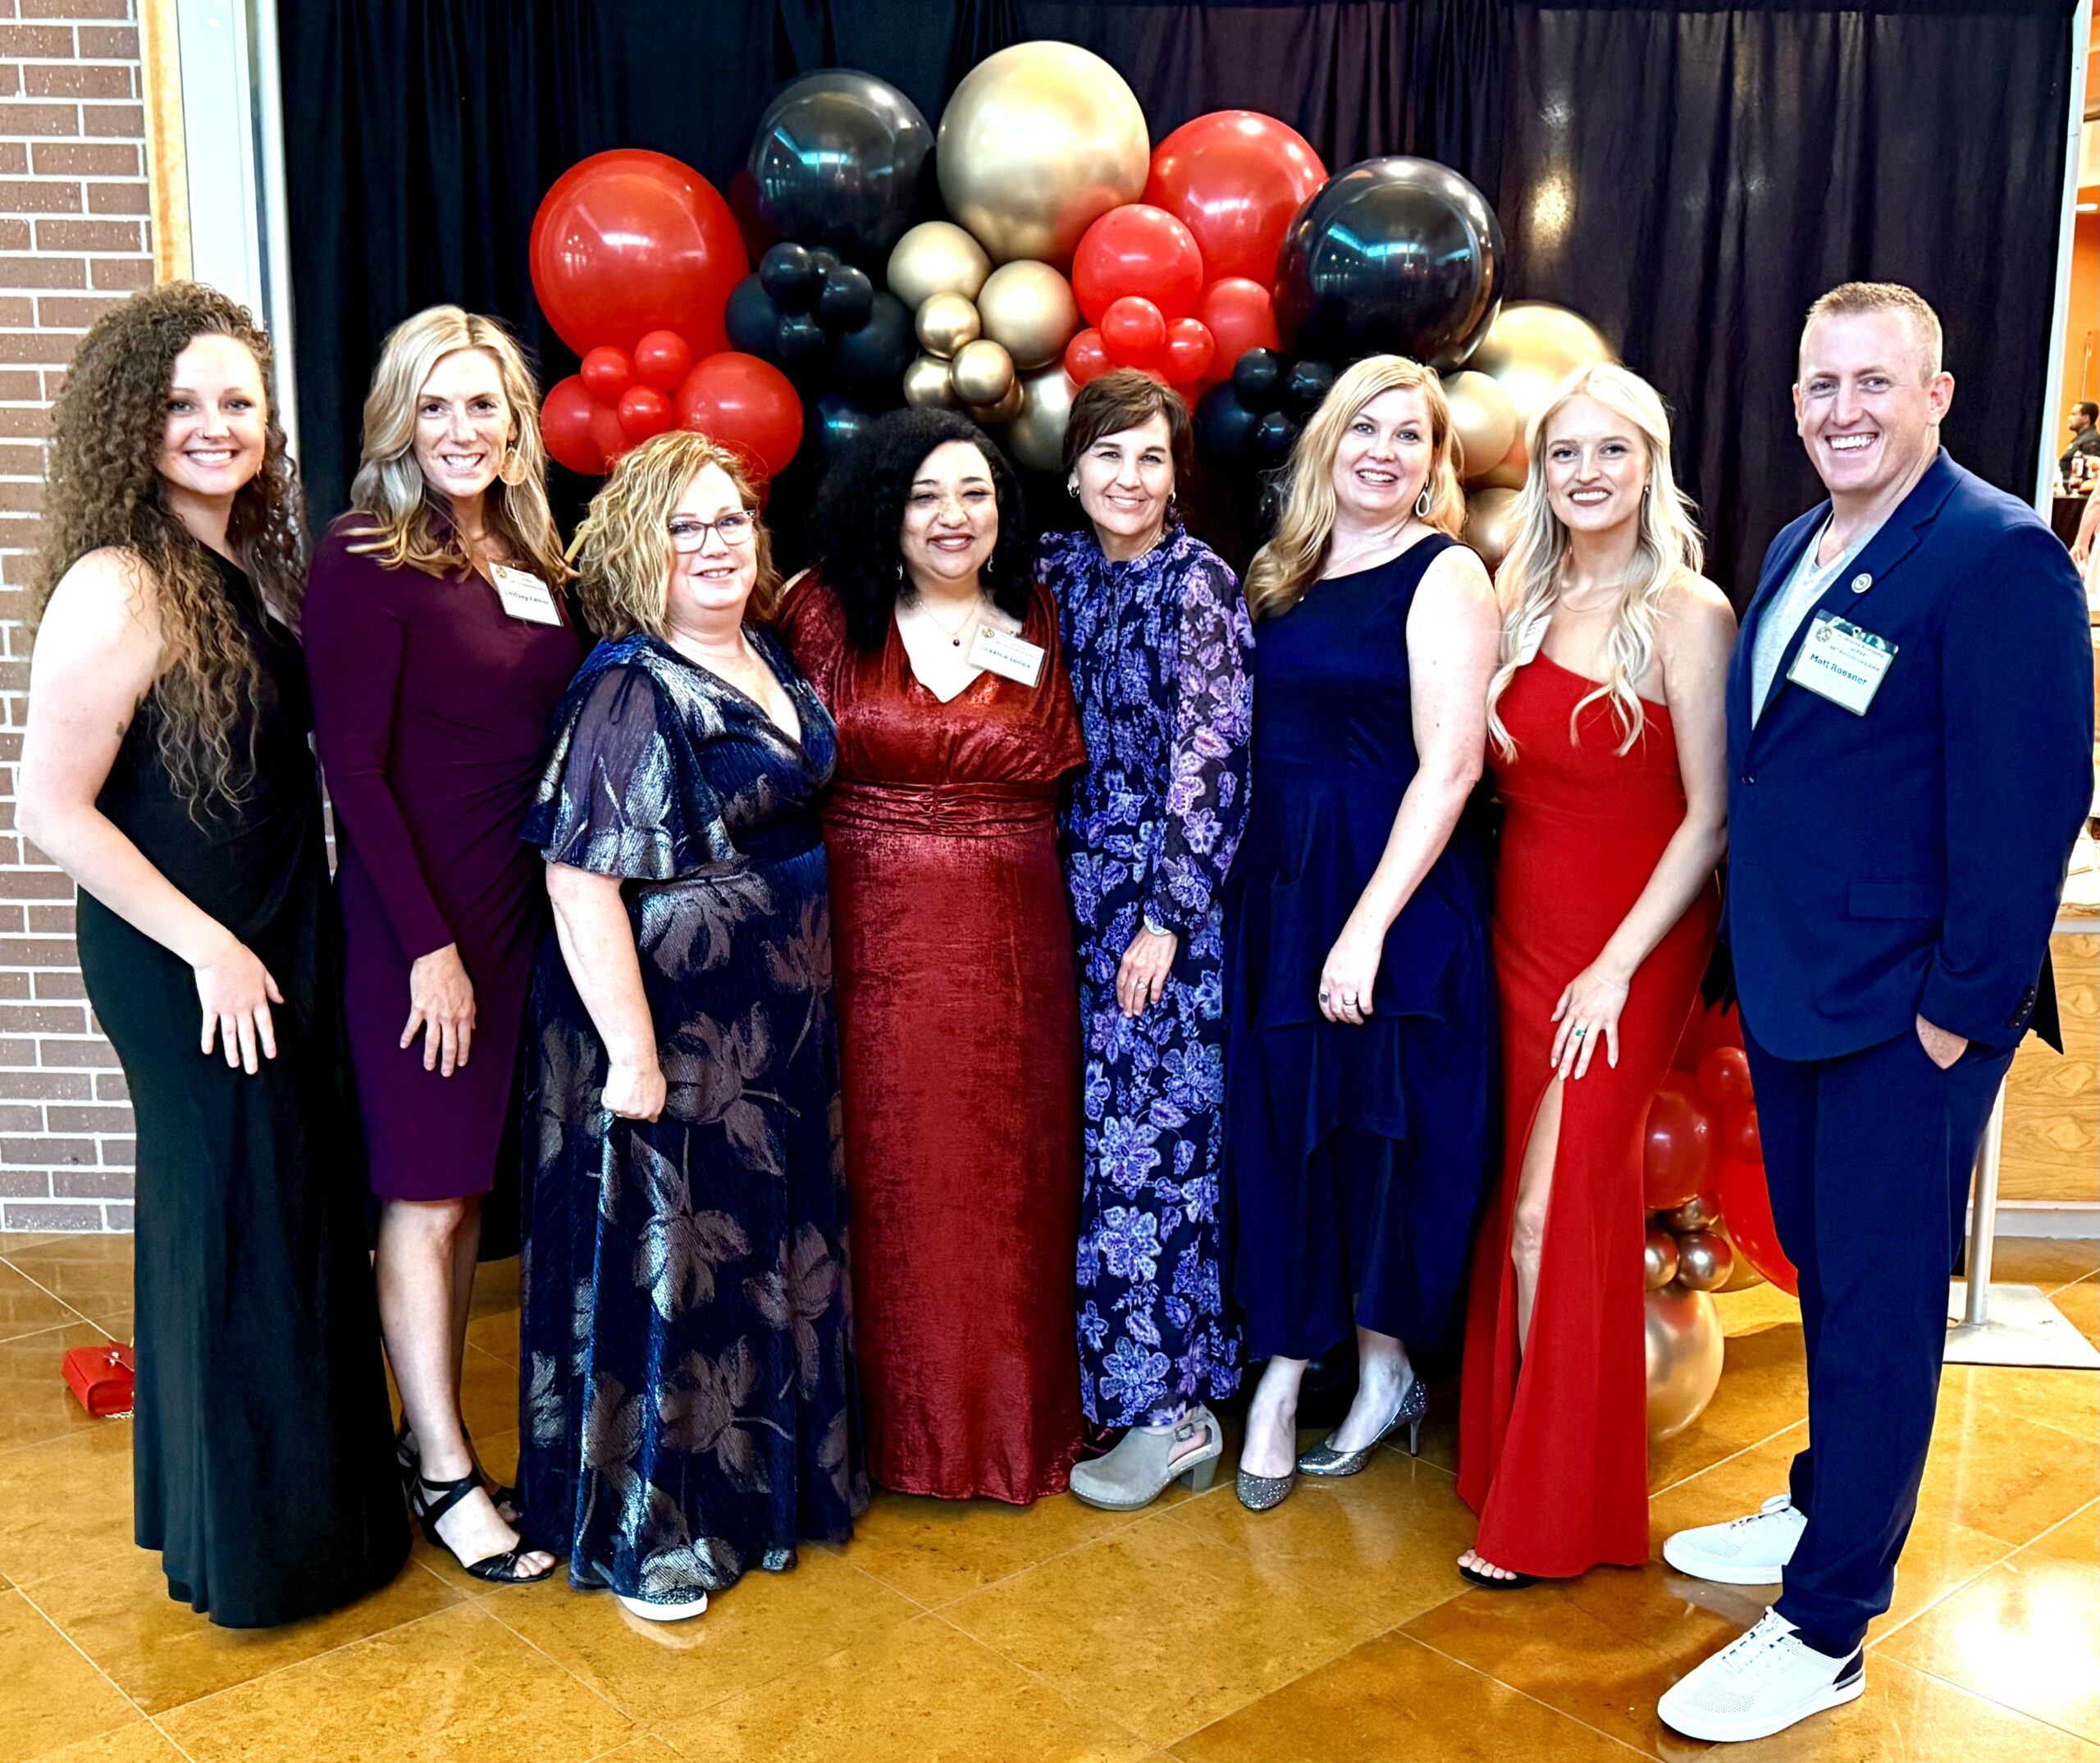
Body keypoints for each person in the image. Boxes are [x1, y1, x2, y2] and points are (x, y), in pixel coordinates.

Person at [1658, 283, 2092, 1743]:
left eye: (1874, 383)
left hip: (1909, 1018)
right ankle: (1816, 1509)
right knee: (1834, 1286)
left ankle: (1830, 1617)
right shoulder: (1798, 540)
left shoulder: (1996, 556)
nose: (1844, 408)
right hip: (1796, 988)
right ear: (1793, 401)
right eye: (1821, 383)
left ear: (1940, 393)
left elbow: (2031, 809)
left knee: (1884, 1308)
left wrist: (1956, 1021)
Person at [16, 281, 409, 1625]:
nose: (213, 423)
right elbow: (48, 808)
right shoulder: (115, 582)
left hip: (278, 924)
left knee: (291, 1208)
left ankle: (318, 1510)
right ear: (134, 421)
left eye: (236, 400)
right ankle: (254, 1550)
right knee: (233, 1211)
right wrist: (206, 947)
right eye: (182, 401)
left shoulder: (251, 561)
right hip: (187, 948)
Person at [517, 430, 861, 1622]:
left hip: (773, 1031)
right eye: (687, 525)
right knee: (683, 1271)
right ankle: (656, 1536)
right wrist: (633, 1057)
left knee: (759, 1257)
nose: (716, 543)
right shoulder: (630, 683)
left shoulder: (760, 649)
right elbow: (578, 881)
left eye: (732, 521)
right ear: (637, 545)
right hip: (676, 1030)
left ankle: (764, 1498)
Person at [305, 308, 579, 1585]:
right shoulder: (366, 553)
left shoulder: (527, 546)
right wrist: (428, 946)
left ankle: (436, 1439)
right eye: (435, 407)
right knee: (421, 1193)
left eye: (482, 406)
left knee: (464, 1188)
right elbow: (350, 767)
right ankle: (447, 1473)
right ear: (398, 423)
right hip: (421, 917)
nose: (461, 430)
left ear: (517, 421)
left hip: (515, 910)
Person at [1454, 365, 1733, 1587]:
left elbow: (1712, 819)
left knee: (1548, 1210)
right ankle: (1529, 1450)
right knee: (1516, 1196)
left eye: (1610, 452)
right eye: (1564, 454)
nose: (1586, 475)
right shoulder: (1516, 594)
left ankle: (1553, 1506)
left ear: (1650, 462)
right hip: (1521, 935)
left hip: (1631, 946)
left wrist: (1618, 968)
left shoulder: (1690, 613)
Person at [783, 409, 1088, 1504]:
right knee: (880, 1178)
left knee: (1011, 1185)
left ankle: (1006, 1431)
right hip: (865, 948)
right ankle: (883, 1437)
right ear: (884, 509)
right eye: (924, 495)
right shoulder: (820, 613)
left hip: (1014, 955)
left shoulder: (1046, 615)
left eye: (974, 493)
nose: (952, 517)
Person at [1224, 355, 1500, 1512]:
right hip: (1283, 881)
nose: (1386, 451)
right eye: (1366, 428)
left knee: (1379, 1131)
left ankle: (1373, 1372)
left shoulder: (1444, 574)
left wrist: (1366, 927)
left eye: (1413, 437)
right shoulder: (1280, 572)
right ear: (1328, 442)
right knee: (1289, 1124)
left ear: (1437, 464)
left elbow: (1452, 768)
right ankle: (1292, 1365)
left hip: (1387, 887)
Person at [1039, 372, 1253, 1510]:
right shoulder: (1056, 572)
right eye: (1109, 456)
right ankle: (1109, 1386)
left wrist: (1167, 916)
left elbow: (1210, 758)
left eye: (1151, 458)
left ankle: (1170, 1411)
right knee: (1083, 1148)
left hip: (1156, 917)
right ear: (1074, 469)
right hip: (1056, 892)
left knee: (1151, 1163)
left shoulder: (1197, 584)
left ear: (1177, 476)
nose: (1129, 478)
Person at [2058, 400, 2099, 480]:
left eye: (2074, 414)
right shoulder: (2082, 438)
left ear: (2086, 418)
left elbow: (2089, 476)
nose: (2069, 418)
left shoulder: (2091, 441)